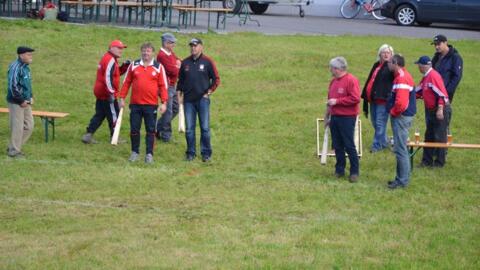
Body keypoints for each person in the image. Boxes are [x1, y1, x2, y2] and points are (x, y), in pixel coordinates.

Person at [118, 43, 168, 164]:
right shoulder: (133, 65)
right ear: (141, 52)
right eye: (144, 51)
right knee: (134, 129)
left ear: (153, 53)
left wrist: (164, 102)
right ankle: (135, 152)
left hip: (151, 105)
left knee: (150, 130)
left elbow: (163, 86)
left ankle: (149, 154)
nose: (146, 53)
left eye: (148, 51)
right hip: (135, 104)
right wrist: (122, 98)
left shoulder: (158, 67)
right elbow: (126, 82)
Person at [177, 38, 220, 162]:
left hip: (202, 100)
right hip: (188, 101)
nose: (193, 48)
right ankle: (190, 153)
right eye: (191, 46)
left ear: (201, 47)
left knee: (205, 128)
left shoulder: (208, 62)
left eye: (195, 46)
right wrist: (179, 93)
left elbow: (216, 79)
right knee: (190, 129)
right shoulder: (185, 63)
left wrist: (209, 92)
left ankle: (206, 153)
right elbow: (181, 81)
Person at [82, 40, 130, 144]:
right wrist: (111, 93)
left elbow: (115, 74)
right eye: (119, 48)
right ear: (111, 48)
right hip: (107, 94)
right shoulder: (110, 60)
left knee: (100, 114)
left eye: (122, 48)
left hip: (101, 92)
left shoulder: (110, 58)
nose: (121, 50)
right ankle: (115, 137)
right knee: (114, 115)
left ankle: (88, 135)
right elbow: (108, 77)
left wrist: (124, 67)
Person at [324, 56, 361, 183]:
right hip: (335, 117)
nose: (330, 70)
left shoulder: (351, 80)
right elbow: (329, 101)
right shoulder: (333, 82)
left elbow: (355, 98)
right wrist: (327, 116)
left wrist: (337, 101)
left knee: (349, 144)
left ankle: (354, 172)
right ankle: (339, 169)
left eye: (332, 68)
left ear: (338, 69)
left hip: (347, 117)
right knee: (337, 145)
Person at [386, 54, 416, 189]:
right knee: (400, 148)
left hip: (401, 117)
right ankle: (399, 179)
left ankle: (403, 181)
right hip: (402, 116)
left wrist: (393, 112)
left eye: (389, 63)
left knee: (400, 149)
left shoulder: (402, 79)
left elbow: (401, 104)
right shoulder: (401, 76)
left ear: (395, 63)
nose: (388, 65)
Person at [414, 56, 450, 168]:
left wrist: (440, 110)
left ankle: (439, 163)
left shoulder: (433, 76)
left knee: (440, 137)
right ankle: (426, 161)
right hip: (430, 111)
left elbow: (442, 94)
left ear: (424, 66)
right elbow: (418, 91)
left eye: (418, 65)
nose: (418, 68)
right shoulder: (426, 77)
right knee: (429, 136)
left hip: (439, 110)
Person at [361, 44, 394, 153]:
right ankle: (384, 142)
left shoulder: (390, 67)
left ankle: (376, 146)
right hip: (373, 100)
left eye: (388, 52)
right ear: (379, 53)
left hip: (383, 100)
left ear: (391, 55)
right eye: (383, 52)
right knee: (375, 123)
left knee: (380, 124)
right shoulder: (376, 65)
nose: (385, 54)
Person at [6, 46, 35, 158]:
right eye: (29, 54)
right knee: (17, 126)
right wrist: (21, 100)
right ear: (21, 55)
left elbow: (27, 84)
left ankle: (13, 147)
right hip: (16, 102)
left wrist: (31, 96)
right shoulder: (15, 67)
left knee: (29, 126)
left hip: (25, 101)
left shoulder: (26, 68)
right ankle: (14, 150)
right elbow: (12, 86)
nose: (31, 56)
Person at [431, 34, 463, 129]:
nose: (436, 47)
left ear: (445, 43)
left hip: (445, 96)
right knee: (433, 124)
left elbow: (456, 77)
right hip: (434, 95)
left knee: (442, 125)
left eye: (438, 44)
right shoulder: (436, 57)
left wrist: (446, 94)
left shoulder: (455, 57)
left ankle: (444, 141)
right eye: (435, 45)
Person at [156, 33, 181, 142]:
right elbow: (173, 71)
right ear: (166, 43)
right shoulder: (162, 55)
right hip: (166, 86)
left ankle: (158, 126)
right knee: (169, 111)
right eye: (172, 43)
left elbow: (179, 60)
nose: (174, 44)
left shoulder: (170, 53)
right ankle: (166, 135)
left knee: (176, 108)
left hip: (172, 86)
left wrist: (178, 64)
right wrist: (177, 67)